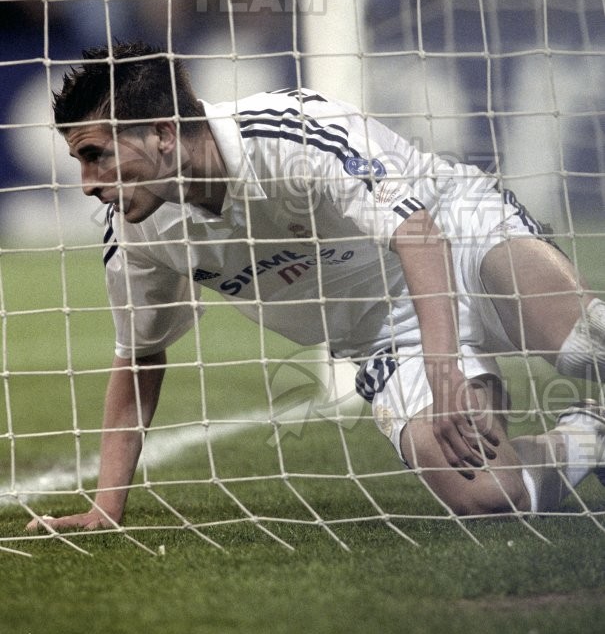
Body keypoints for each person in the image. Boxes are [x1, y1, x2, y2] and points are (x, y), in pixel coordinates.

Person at [27, 42, 605, 532]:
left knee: (586, 341)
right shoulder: (138, 234)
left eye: (94, 155)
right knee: (492, 498)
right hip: (387, 338)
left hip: (460, 237)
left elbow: (418, 231)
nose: (86, 183)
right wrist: (106, 506)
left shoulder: (289, 133)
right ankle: (591, 433)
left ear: (162, 133)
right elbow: (138, 358)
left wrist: (446, 366)